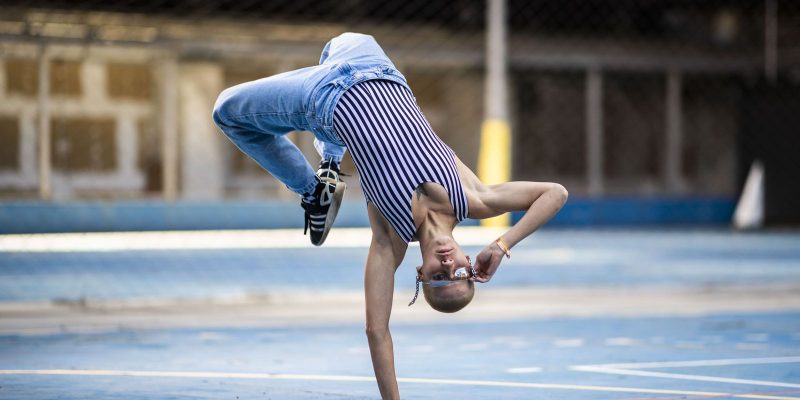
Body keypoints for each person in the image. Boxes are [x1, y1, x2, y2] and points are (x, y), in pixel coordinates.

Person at [212, 32, 567, 399]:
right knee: (346, 37)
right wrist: (502, 244)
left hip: (325, 97)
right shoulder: (472, 198)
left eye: (439, 277)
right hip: (375, 65)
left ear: (420, 274)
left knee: (226, 113)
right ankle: (330, 161)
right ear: (469, 264)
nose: (448, 265)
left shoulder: (390, 237)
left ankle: (312, 190)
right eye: (459, 274)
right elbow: (555, 193)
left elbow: (377, 331)